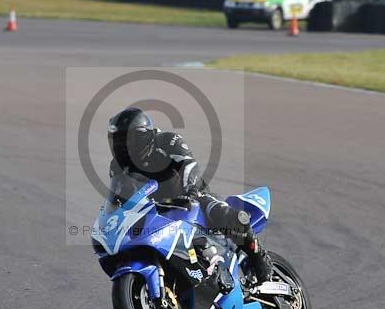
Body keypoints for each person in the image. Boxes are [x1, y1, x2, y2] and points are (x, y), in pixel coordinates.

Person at [106, 107, 273, 283]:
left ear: (142, 137)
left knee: (227, 215)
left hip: (191, 198)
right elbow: (120, 198)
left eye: (124, 141)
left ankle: (260, 259)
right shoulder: (117, 167)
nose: (120, 147)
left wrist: (190, 190)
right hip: (157, 211)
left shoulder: (167, 141)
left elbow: (188, 165)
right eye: (116, 141)